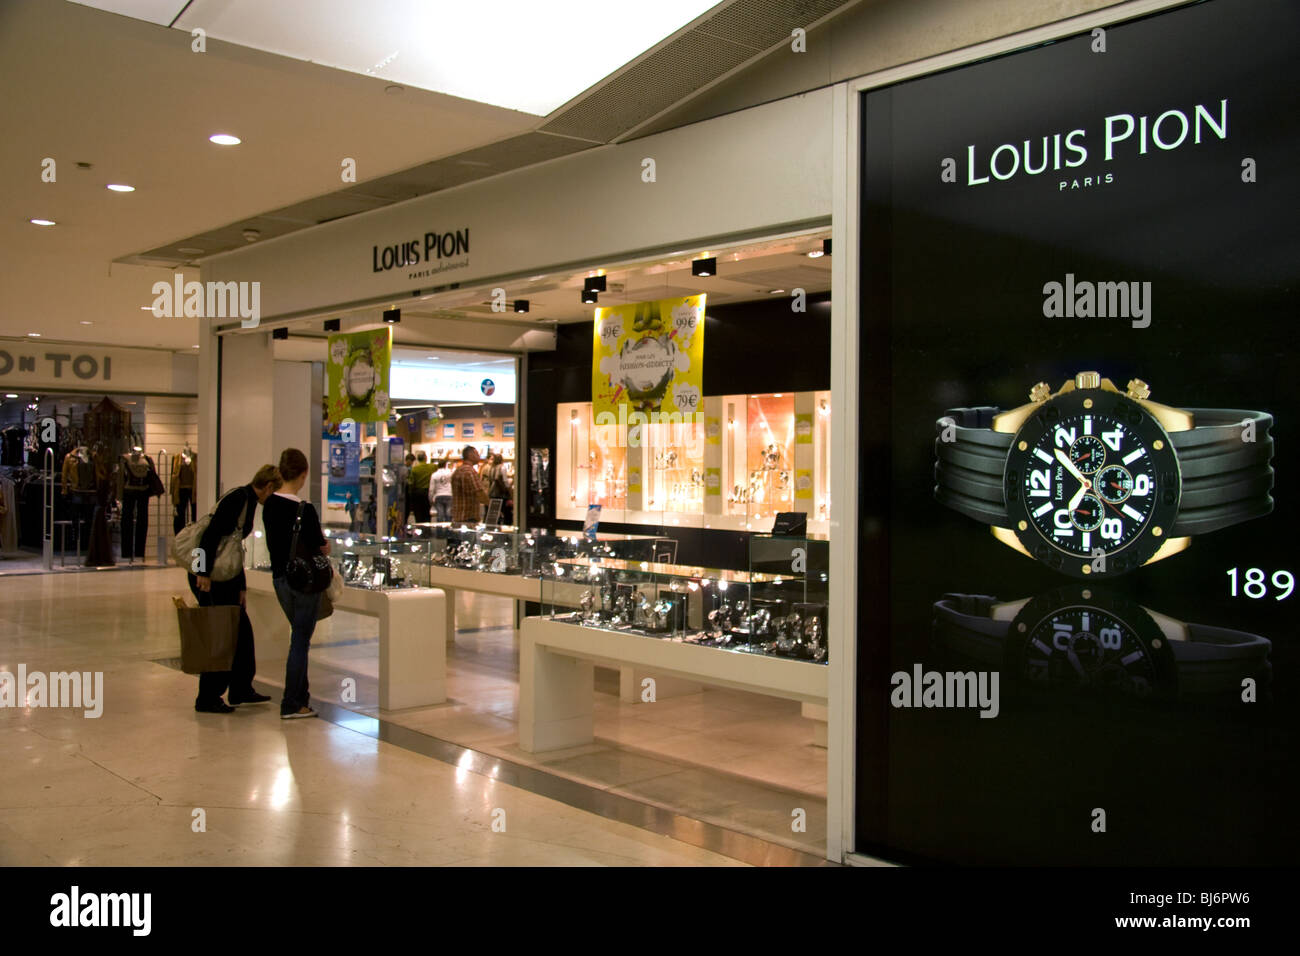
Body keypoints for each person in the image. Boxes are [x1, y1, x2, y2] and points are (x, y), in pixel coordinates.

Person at [190, 465, 283, 713]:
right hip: (212, 577)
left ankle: (241, 688)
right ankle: (208, 697)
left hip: (227, 577)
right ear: (269, 487)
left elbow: (235, 548)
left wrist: (241, 586)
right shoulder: (239, 499)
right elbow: (208, 537)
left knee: (241, 633)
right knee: (222, 635)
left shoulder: (248, 500)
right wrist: (202, 572)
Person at [261, 448, 329, 720]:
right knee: (300, 641)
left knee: (297, 636)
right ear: (303, 474)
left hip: (280, 579)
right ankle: (292, 702)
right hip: (305, 582)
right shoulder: (305, 509)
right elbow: (319, 546)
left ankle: (301, 699)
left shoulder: (269, 506)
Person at [451, 446, 489, 524]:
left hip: (458, 516)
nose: (479, 456)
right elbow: (480, 493)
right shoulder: (470, 472)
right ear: (471, 455)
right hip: (469, 518)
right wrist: (491, 505)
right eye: (477, 454)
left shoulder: (457, 471)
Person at [408, 451, 434, 524]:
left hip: (417, 493)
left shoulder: (414, 469)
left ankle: (419, 527)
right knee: (427, 513)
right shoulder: (432, 467)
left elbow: (411, 483)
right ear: (426, 458)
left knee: (418, 513)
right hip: (427, 493)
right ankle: (427, 529)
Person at [428, 458, 453, 522]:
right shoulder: (450, 473)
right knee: (449, 514)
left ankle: (440, 530)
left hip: (438, 496)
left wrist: (431, 499)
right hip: (449, 495)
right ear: (445, 465)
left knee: (440, 515)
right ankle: (448, 530)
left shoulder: (434, 475)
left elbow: (431, 489)